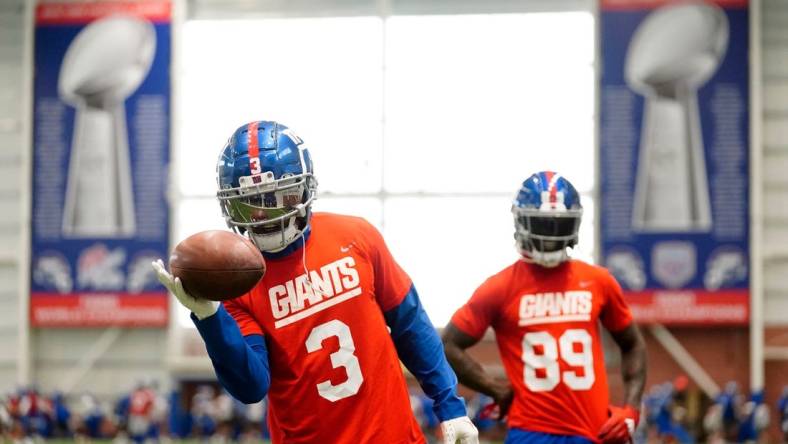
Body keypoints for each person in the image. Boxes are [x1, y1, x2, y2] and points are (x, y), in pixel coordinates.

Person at [153, 120, 477, 444]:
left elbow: (410, 326)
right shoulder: (238, 285)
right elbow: (251, 387)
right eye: (248, 202)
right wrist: (211, 318)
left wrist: (451, 406)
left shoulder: (356, 237)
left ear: (304, 187)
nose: (263, 215)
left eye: (277, 196)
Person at [442, 171, 647, 444]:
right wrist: (495, 389)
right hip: (531, 431)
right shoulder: (500, 288)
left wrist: (632, 409)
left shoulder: (598, 281)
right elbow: (449, 345)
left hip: (595, 431)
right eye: (542, 224)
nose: (549, 236)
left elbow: (633, 343)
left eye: (557, 225)